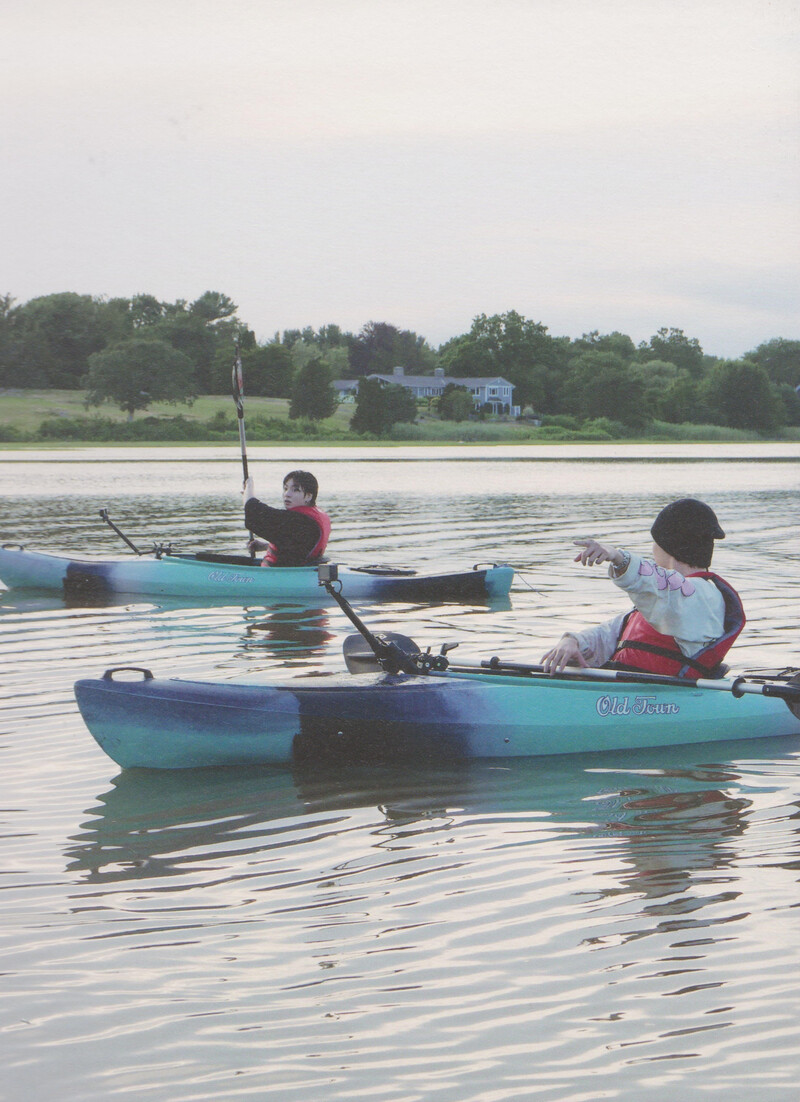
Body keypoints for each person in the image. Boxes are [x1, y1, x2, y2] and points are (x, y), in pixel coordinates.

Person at [541, 498, 745, 678]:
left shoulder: (702, 597)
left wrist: (618, 557)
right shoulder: (662, 601)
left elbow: (661, 585)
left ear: (668, 547)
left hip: (662, 699)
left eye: (655, 542)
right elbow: (607, 634)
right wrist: (572, 641)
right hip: (624, 692)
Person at [242, 470, 331, 567]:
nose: (287, 494)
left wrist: (248, 492)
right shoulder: (313, 517)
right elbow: (297, 547)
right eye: (285, 488)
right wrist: (265, 546)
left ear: (309, 496)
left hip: (279, 575)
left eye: (295, 490)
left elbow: (254, 515)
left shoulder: (300, 521)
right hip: (302, 570)